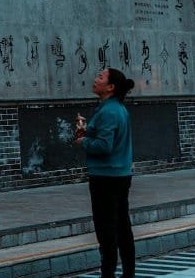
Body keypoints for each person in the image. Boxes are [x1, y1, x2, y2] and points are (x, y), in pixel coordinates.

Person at [75, 67, 136, 278]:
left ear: (110, 87)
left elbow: (103, 146)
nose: (95, 79)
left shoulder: (109, 111)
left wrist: (84, 141)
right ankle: (128, 273)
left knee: (106, 230)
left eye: (100, 77)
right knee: (122, 226)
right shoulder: (116, 108)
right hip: (119, 174)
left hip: (106, 177)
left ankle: (108, 274)